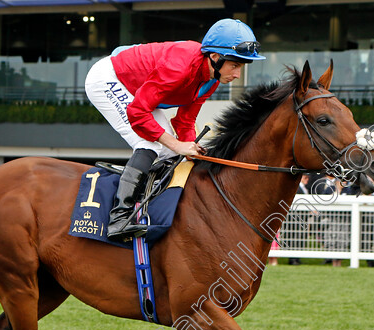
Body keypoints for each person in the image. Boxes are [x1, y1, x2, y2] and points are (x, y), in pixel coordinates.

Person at [84, 18, 265, 241]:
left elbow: (185, 121)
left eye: (241, 66)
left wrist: (191, 151)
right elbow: (137, 113)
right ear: (215, 57)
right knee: (149, 143)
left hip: (137, 91)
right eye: (235, 65)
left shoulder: (212, 80)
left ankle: (150, 211)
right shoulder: (179, 67)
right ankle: (119, 218)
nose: (238, 74)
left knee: (172, 153)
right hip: (108, 79)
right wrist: (178, 144)